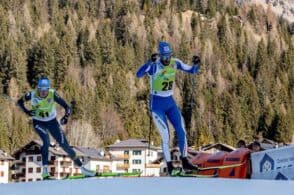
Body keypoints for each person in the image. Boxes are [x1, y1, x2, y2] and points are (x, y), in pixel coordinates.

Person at [136, 41, 200, 175]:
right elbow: (139, 74)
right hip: (157, 106)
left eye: (169, 56)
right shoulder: (155, 66)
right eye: (164, 57)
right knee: (166, 136)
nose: (167, 59)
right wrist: (148, 62)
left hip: (170, 103)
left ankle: (185, 161)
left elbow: (192, 70)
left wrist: (196, 63)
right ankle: (170, 166)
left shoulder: (175, 63)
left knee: (182, 131)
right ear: (160, 56)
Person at [17, 77, 95, 179]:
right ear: (38, 88)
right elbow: (19, 102)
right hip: (38, 122)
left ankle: (83, 169)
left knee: (65, 146)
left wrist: (66, 117)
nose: (44, 92)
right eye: (42, 90)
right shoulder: (32, 94)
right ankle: (44, 171)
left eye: (46, 90)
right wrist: (27, 111)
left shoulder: (52, 93)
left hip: (52, 122)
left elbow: (67, 107)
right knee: (46, 140)